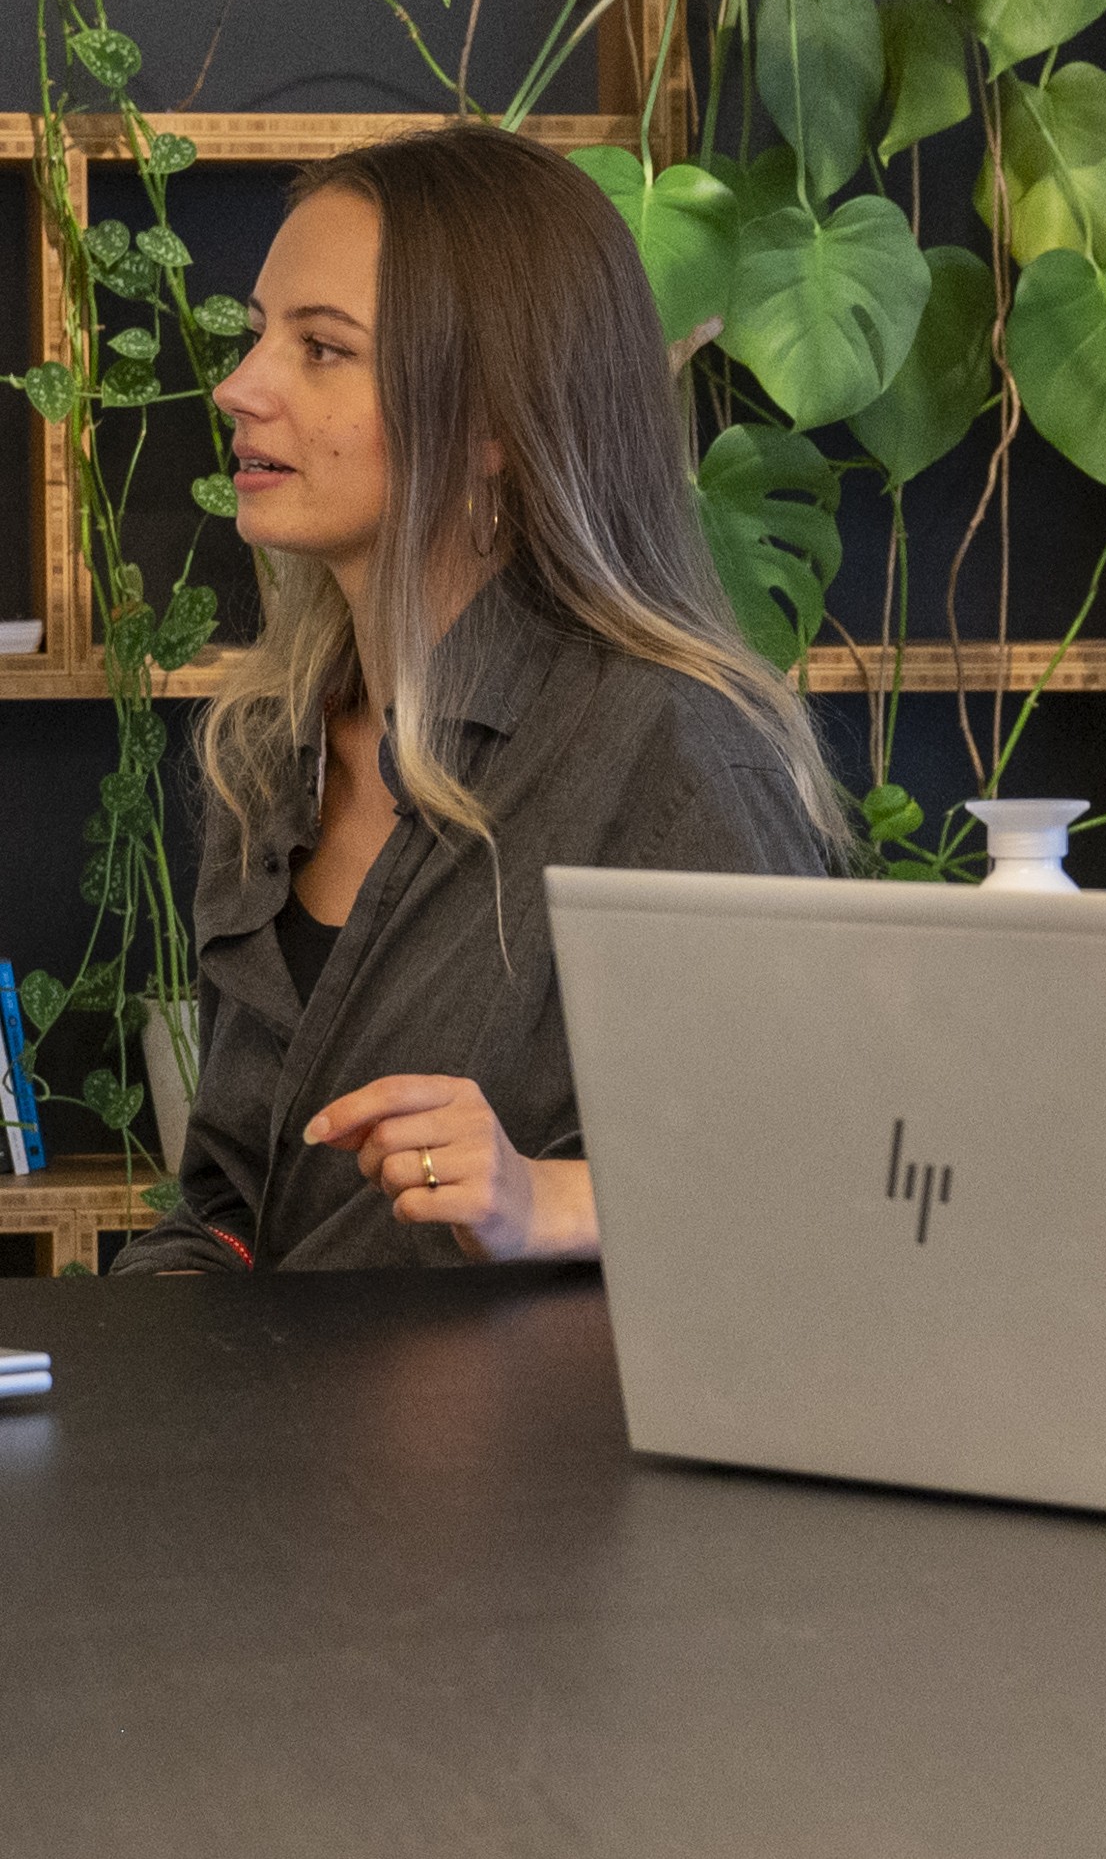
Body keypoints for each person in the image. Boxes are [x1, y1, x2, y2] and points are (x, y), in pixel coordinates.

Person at [111, 125, 845, 1276]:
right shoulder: (267, 751)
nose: (239, 387)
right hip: (274, 1443)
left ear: (495, 424)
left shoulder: (671, 748)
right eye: (261, 337)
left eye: (322, 351)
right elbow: (232, 1200)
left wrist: (546, 1198)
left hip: (556, 1453)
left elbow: (838, 1187)